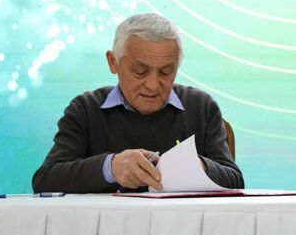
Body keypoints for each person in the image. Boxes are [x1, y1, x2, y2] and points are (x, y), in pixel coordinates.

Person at [33, 13, 243, 193]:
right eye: (140, 71)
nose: (152, 85)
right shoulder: (85, 109)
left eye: (166, 72)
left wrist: (198, 167)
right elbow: (45, 180)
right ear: (113, 62)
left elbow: (235, 181)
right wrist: (110, 167)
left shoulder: (201, 107)